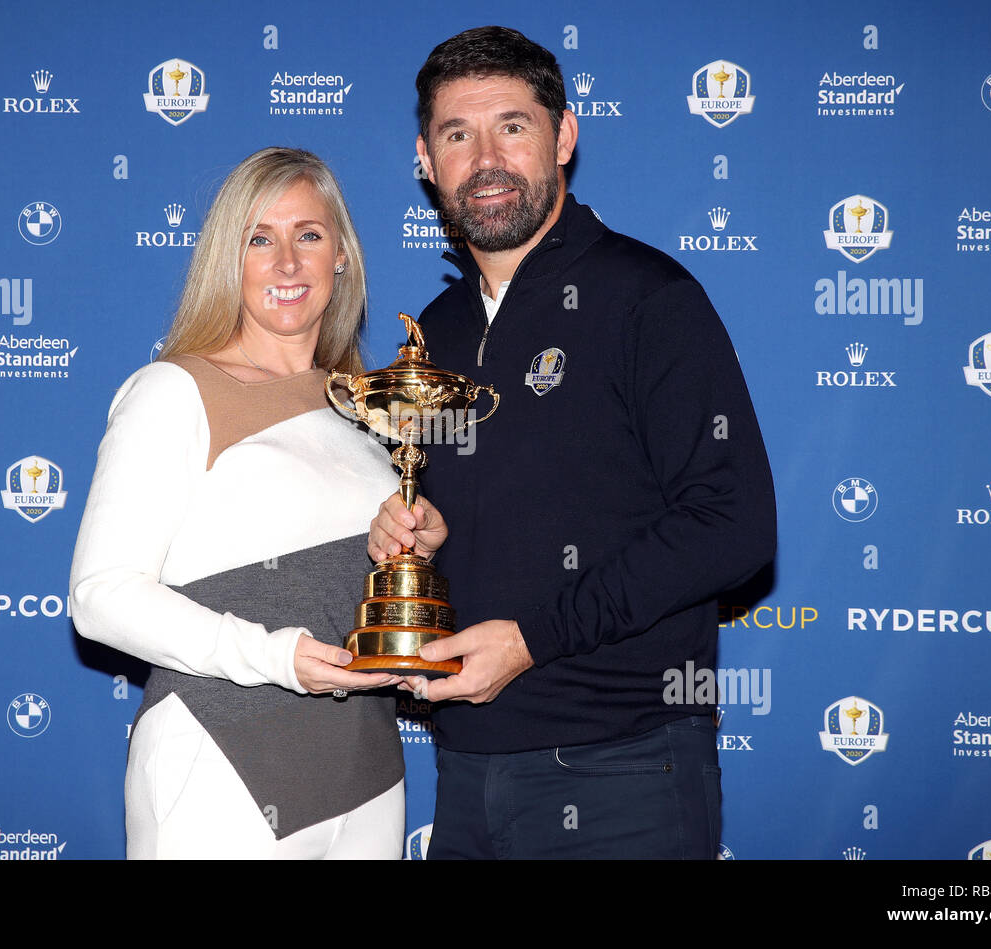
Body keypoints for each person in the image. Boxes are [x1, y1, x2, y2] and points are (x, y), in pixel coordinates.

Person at [368, 27, 776, 859]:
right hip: (466, 768)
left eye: (512, 126)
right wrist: (426, 540)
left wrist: (532, 640)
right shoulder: (434, 334)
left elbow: (733, 524)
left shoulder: (649, 297)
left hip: (622, 767)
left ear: (563, 136)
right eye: (457, 134)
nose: (485, 157)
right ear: (425, 158)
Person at [71, 147, 405, 859]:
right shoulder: (175, 390)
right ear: (230, 257)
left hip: (368, 774)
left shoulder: (368, 410)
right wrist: (276, 655)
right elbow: (100, 596)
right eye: (260, 238)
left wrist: (412, 545)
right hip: (221, 757)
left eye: (308, 235)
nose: (287, 263)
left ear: (341, 255)